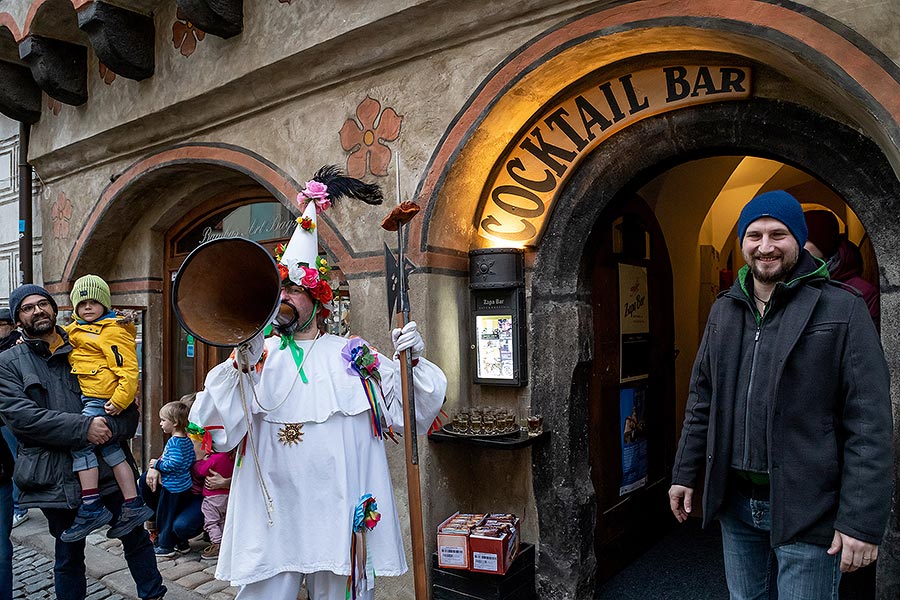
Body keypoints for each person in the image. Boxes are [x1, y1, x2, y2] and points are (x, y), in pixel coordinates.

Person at [189, 167, 448, 599]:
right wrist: (239, 363)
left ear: (318, 299)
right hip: (273, 517)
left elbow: (414, 413)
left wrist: (415, 363)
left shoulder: (354, 356)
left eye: (294, 289)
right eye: (279, 289)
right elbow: (214, 429)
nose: (283, 298)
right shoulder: (254, 357)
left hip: (339, 512)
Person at [668, 190, 892, 600]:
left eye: (778, 234)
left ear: (798, 240)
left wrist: (860, 521)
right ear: (742, 242)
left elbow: (869, 422)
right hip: (735, 503)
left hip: (810, 507)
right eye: (754, 235)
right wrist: (685, 473)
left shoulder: (842, 308)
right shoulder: (725, 309)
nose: (765, 246)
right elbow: (702, 399)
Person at [0, 284, 166, 600]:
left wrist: (108, 426)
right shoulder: (8, 363)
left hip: (108, 469)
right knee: (68, 555)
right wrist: (85, 428)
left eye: (43, 303)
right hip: (55, 475)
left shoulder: (86, 342)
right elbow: (23, 419)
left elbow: (129, 411)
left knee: (136, 539)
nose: (37, 310)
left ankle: (153, 595)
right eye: (27, 307)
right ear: (18, 319)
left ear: (54, 308)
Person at [60, 275, 154, 542]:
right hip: (90, 397)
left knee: (81, 442)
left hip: (102, 399)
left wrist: (121, 399)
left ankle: (91, 506)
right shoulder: (76, 329)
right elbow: (59, 340)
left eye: (94, 302)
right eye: (82, 303)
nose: (88, 307)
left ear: (104, 304)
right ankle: (134, 504)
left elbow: (127, 370)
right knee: (112, 450)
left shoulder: (111, 330)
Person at [803, 209, 880, 328]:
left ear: (823, 243)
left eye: (805, 240)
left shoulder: (863, 292)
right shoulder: (794, 282)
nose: (798, 247)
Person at [150, 400, 196, 557]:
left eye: (163, 420)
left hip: (172, 487)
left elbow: (174, 463)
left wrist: (158, 464)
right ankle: (181, 543)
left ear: (175, 422)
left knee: (166, 515)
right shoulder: (187, 440)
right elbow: (190, 460)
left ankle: (165, 545)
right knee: (177, 513)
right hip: (184, 485)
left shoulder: (174, 442)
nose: (161, 424)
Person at [1, 307, 29, 531]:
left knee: (18, 460)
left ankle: (20, 507)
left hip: (14, 415)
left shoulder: (18, 344)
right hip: (2, 417)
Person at [192, 442, 234, 561]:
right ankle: (226, 544)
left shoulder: (214, 458)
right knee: (223, 521)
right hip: (227, 496)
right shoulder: (232, 457)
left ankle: (217, 545)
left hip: (212, 498)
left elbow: (200, 471)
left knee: (211, 522)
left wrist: (201, 461)